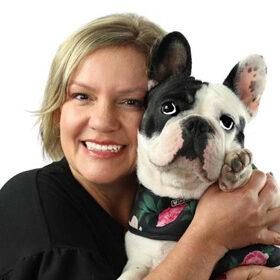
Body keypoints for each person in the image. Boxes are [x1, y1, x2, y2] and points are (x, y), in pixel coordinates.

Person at [0, 13, 280, 280]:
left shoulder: (192, 200)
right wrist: (209, 238)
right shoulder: (34, 212)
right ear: (57, 110)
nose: (102, 121)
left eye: (131, 101)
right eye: (82, 96)